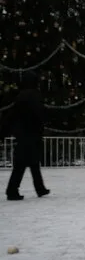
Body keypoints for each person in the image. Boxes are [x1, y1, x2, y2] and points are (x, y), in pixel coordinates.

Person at [5, 71, 50, 200]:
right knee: (25, 164)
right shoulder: (34, 95)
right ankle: (13, 190)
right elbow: (38, 114)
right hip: (31, 133)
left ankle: (39, 188)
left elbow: (13, 115)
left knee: (30, 163)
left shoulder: (20, 96)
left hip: (23, 133)